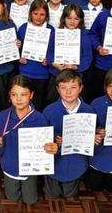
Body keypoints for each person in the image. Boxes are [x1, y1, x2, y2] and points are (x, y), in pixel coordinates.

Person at [0, 75, 58, 205]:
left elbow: (47, 151)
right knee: (12, 198)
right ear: (9, 96)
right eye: (14, 94)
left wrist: (52, 149)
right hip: (9, 168)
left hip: (30, 171)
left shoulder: (40, 119)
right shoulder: (3, 117)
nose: (18, 99)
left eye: (23, 94)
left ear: (31, 95)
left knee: (30, 200)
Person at [43, 70, 96, 198]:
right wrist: (55, 141)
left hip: (76, 164)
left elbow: (91, 136)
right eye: (63, 88)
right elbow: (42, 138)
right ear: (57, 89)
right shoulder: (49, 111)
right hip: (54, 165)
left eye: (73, 87)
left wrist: (95, 137)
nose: (68, 92)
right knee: (51, 194)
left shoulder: (89, 110)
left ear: (80, 88)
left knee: (70, 194)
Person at [46, 4, 93, 104]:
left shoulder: (84, 36)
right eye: (69, 18)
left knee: (74, 103)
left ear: (81, 20)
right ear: (64, 18)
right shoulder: (56, 33)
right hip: (56, 75)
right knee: (52, 102)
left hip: (75, 77)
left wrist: (76, 67)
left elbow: (88, 58)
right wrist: (54, 63)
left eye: (76, 18)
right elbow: (48, 53)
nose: (72, 21)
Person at [18, 0, 55, 111]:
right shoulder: (24, 28)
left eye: (42, 14)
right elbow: (17, 50)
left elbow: (53, 51)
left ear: (47, 15)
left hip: (42, 74)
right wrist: (19, 55)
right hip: (25, 71)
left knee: (38, 104)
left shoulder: (51, 30)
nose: (38, 17)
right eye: (35, 14)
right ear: (30, 14)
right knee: (23, 102)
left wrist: (48, 60)